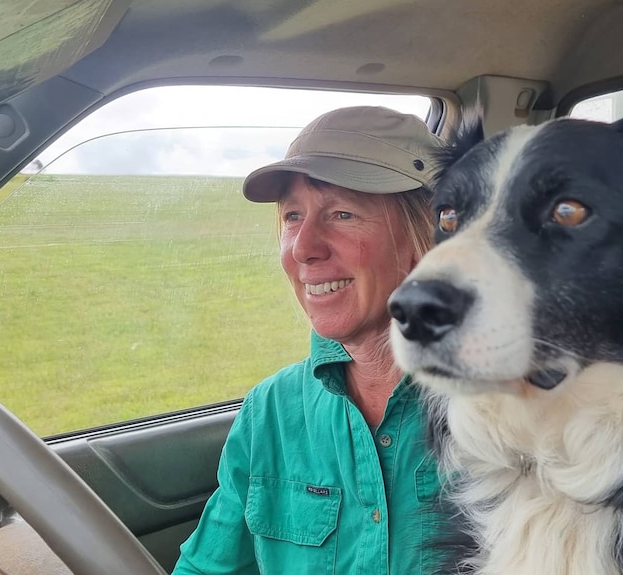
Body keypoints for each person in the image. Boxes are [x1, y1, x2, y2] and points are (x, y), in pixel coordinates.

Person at [171, 106, 444, 575]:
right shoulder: (271, 411)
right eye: (293, 216)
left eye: (342, 213)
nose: (303, 248)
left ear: (429, 233)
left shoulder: (516, 413)